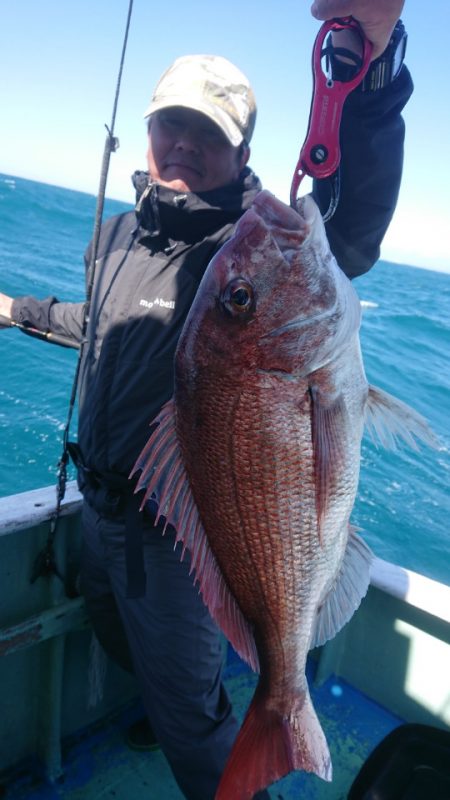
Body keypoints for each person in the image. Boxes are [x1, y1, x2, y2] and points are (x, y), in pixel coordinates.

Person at [0, 2, 411, 797]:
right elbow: (101, 321)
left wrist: (374, 76)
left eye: (209, 133)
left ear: (243, 151)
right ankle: (163, 697)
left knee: (193, 717)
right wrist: (16, 310)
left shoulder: (242, 249)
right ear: (148, 133)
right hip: (100, 506)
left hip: (179, 540)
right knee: (113, 627)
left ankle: (229, 735)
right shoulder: (118, 234)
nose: (183, 144)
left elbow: (353, 227)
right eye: (170, 125)